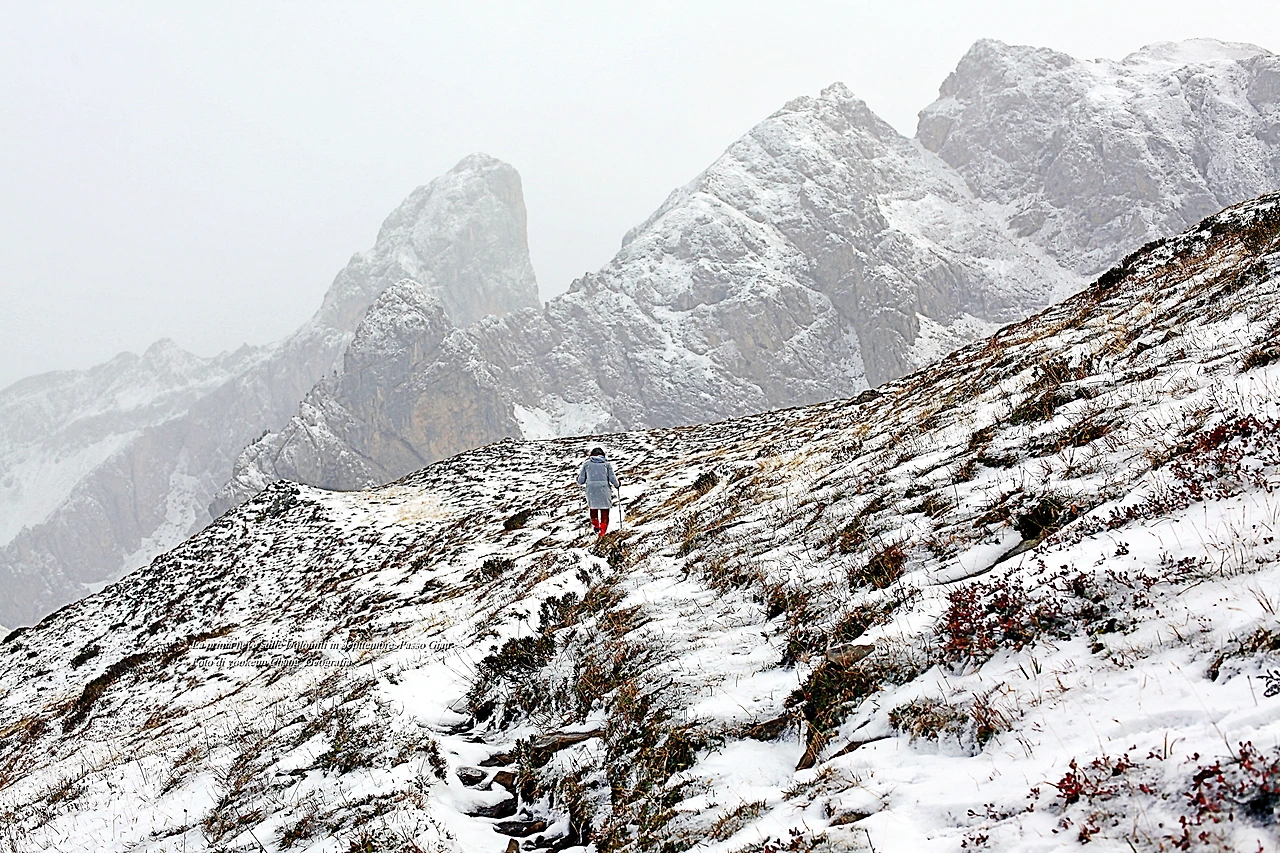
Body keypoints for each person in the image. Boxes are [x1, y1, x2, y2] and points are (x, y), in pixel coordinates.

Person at [576, 446, 620, 537]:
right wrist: (617, 484)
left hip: (591, 490)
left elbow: (581, 481)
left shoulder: (587, 464)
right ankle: (602, 533)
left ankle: (596, 527)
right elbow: (612, 478)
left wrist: (578, 479)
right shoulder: (607, 464)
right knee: (605, 511)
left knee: (593, 509)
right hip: (604, 490)